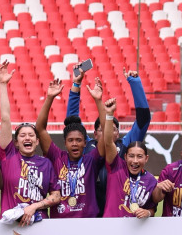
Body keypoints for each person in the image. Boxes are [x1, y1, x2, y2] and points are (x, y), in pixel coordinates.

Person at [67, 65, 151, 216]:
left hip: (119, 209)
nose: (107, 132)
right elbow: (71, 122)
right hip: (88, 208)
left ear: (118, 133)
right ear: (94, 134)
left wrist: (135, 83)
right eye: (102, 129)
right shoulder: (86, 146)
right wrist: (76, 85)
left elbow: (143, 119)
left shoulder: (125, 145)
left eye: (112, 128)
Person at [0, 61, 60, 225]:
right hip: (11, 225)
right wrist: (3, 85)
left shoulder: (46, 163)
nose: (27, 138)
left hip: (39, 224)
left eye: (31, 135)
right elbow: (5, 119)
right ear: (16, 142)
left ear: (37, 141)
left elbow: (56, 195)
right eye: (22, 135)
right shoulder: (8, 156)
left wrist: (36, 206)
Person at [36, 77, 106, 218]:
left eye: (79, 140)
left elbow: (105, 131)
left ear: (85, 143)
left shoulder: (92, 160)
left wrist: (98, 101)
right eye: (71, 140)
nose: (74, 143)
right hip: (61, 222)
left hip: (88, 222)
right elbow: (40, 129)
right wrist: (49, 98)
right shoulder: (57, 157)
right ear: (65, 143)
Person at [101, 98, 158, 218]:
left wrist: (148, 212)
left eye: (139, 156)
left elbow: (152, 208)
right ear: (125, 157)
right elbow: (108, 143)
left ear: (146, 158)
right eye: (131, 156)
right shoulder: (116, 168)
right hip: (111, 229)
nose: (135, 161)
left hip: (135, 233)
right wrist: (110, 115)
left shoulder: (151, 180)